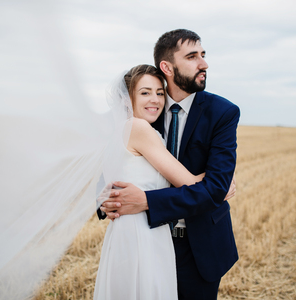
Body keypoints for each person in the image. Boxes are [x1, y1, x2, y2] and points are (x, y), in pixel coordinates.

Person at [100, 29, 240, 299]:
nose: (204, 63)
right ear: (168, 67)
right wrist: (105, 199)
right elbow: (111, 162)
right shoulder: (146, 110)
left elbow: (215, 189)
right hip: (146, 240)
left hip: (200, 248)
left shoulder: (223, 113)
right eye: (192, 56)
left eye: (203, 55)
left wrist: (147, 201)